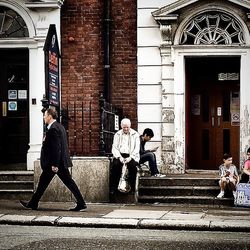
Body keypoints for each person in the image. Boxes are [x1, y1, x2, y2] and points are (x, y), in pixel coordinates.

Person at [20, 108, 86, 211]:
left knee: (48, 183)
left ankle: (33, 203)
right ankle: (33, 203)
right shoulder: (60, 127)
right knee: (49, 182)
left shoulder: (53, 129)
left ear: (50, 116)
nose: (43, 117)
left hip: (55, 164)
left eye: (45, 115)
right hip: (59, 162)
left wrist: (55, 165)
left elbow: (56, 148)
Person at [111, 118, 140, 193]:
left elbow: (137, 149)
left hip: (131, 155)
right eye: (124, 127)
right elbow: (114, 148)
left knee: (132, 167)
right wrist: (119, 157)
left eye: (127, 127)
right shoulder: (117, 134)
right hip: (120, 155)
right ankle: (114, 188)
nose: (126, 129)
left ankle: (132, 188)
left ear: (130, 126)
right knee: (116, 165)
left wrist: (130, 158)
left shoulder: (135, 134)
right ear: (121, 126)